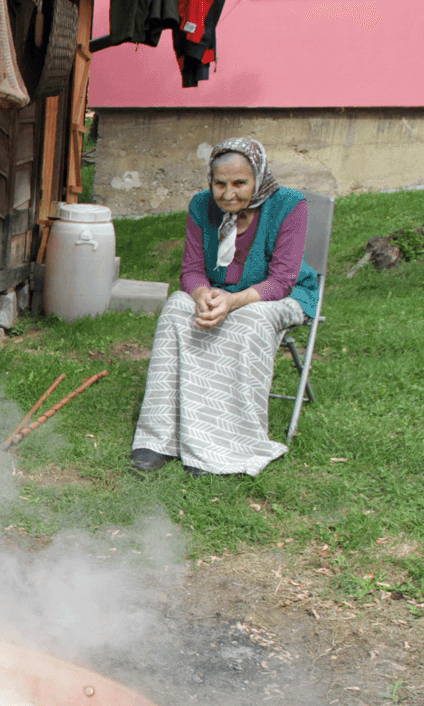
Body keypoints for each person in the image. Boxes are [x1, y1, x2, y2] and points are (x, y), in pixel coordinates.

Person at [130, 137, 320, 477]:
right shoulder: (201, 206)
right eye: (220, 183)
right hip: (221, 292)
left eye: (239, 183)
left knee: (248, 321)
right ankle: (159, 437)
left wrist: (232, 302)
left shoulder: (291, 205)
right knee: (177, 306)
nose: (228, 193)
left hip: (278, 297)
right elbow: (191, 270)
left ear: (259, 178)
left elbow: (282, 280)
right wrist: (202, 294)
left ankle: (227, 444)